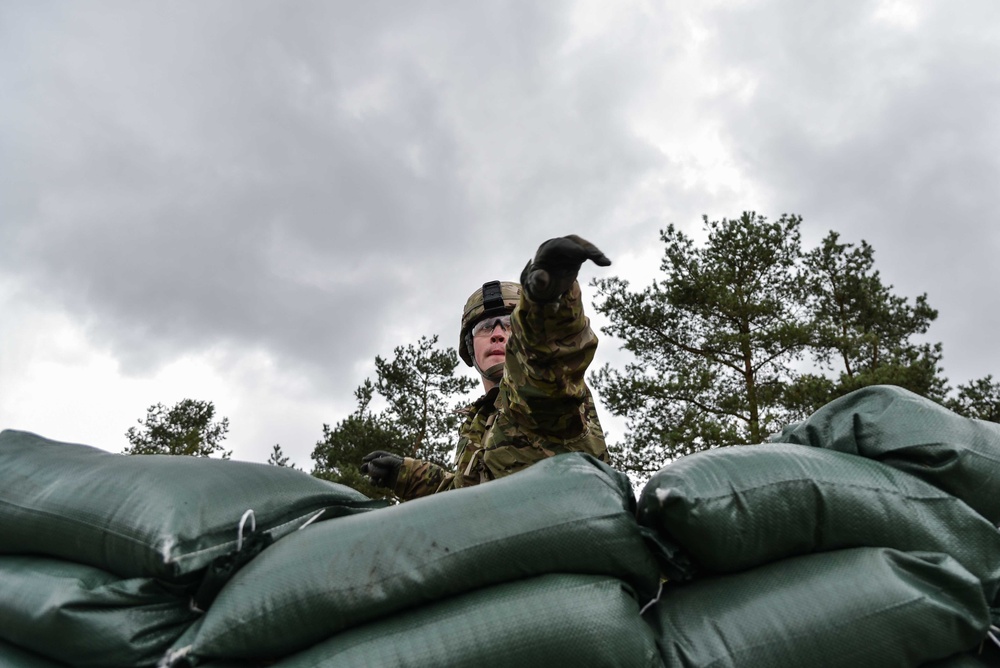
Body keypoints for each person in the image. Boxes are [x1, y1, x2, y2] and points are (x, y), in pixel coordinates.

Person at [361, 235, 611, 500]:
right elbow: (466, 500)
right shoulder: (480, 420)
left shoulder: (542, 393)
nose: (498, 334)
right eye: (485, 327)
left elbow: (547, 357)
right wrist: (407, 475)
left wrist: (546, 304)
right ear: (470, 347)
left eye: (510, 323)